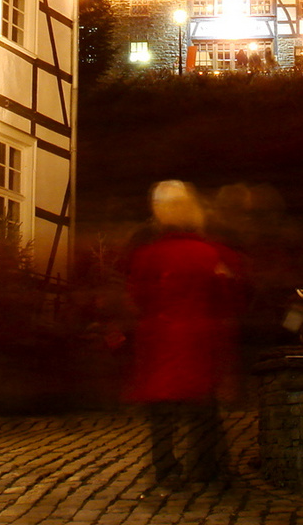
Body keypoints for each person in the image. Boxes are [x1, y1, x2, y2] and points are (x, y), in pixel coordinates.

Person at [126, 181, 242, 487]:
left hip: (158, 343)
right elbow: (226, 297)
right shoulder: (209, 253)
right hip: (198, 342)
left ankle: (166, 469)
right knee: (201, 409)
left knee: (161, 415)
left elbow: (137, 297)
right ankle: (206, 469)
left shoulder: (147, 255)